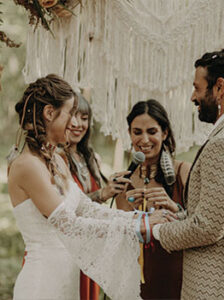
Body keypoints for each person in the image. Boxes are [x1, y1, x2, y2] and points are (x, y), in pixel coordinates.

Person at [8, 74, 174, 300]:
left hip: (69, 282)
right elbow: (70, 225)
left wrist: (138, 218)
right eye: (70, 114)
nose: (75, 124)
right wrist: (138, 226)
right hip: (43, 285)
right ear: (49, 113)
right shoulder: (27, 165)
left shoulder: (56, 160)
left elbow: (86, 208)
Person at [151, 48, 224, 299]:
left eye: (197, 88)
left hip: (218, 288)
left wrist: (156, 231)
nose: (192, 97)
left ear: (219, 87)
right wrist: (180, 215)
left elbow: (207, 228)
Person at [116, 99, 191, 299]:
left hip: (177, 276)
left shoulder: (184, 172)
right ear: (130, 134)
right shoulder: (123, 182)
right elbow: (120, 235)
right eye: (137, 132)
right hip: (136, 279)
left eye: (152, 131)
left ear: (164, 133)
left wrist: (174, 207)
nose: (144, 140)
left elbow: (202, 223)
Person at [66, 94, 129, 300]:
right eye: (72, 116)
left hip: (90, 246)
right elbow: (67, 207)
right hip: (66, 248)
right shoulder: (55, 160)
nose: (78, 124)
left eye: (84, 118)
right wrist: (101, 194)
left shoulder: (91, 157)